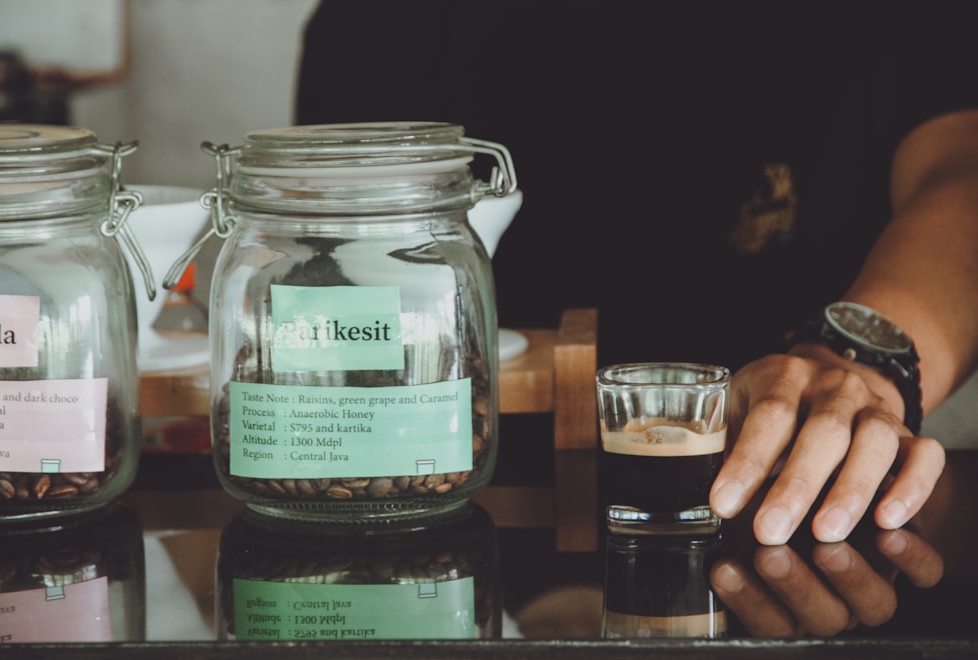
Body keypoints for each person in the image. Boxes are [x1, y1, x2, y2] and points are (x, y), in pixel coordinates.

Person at [293, 1, 978, 545]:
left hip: (775, 514)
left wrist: (856, 359)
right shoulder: (380, 22)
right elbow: (330, 262)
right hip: (458, 520)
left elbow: (961, 175)